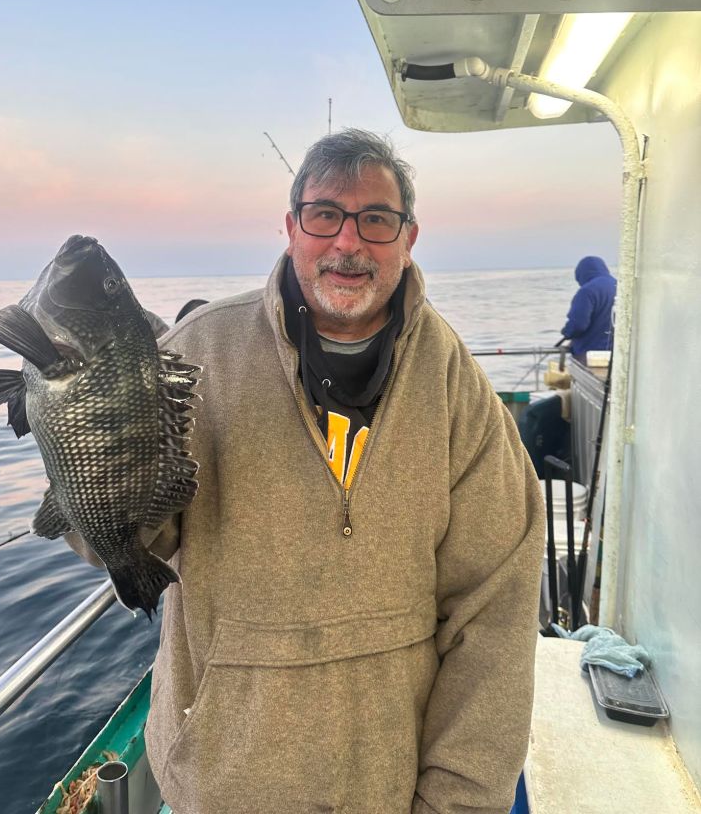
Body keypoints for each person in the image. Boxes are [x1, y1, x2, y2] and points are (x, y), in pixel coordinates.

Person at [72, 129, 545, 814]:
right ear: (291, 227)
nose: (347, 243)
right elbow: (114, 542)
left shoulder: (455, 385)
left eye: (375, 220)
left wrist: (460, 801)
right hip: (219, 782)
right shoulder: (193, 353)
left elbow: (493, 614)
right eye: (325, 215)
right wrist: (87, 427)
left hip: (385, 786)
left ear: (408, 238)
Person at [561, 256, 617, 362]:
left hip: (590, 356)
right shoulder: (620, 286)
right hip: (616, 355)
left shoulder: (587, 291)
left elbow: (578, 324)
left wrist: (567, 332)